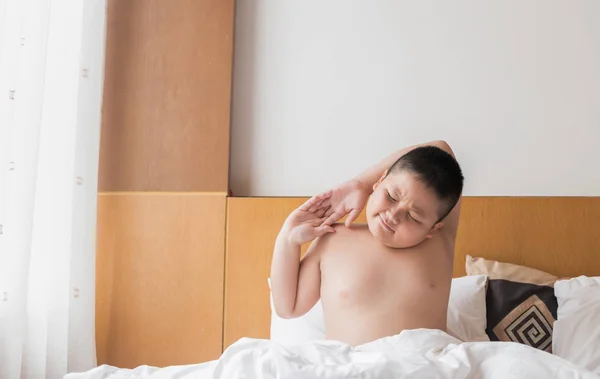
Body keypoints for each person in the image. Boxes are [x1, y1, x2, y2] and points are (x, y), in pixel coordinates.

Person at [270, 140, 464, 346]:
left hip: (422, 368)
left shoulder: (439, 244)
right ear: (379, 182)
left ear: (434, 227)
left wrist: (363, 183)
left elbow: (442, 148)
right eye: (390, 196)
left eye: (414, 217)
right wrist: (288, 239)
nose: (394, 215)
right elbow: (287, 307)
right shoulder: (332, 237)